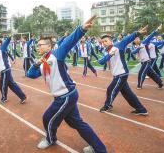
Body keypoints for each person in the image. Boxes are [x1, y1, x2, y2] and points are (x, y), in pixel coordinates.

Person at [27, 15, 107, 153]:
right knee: (76, 122)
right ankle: (99, 148)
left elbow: (69, 42)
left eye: (40, 45)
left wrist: (82, 29)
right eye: (37, 45)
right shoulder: (43, 61)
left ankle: (51, 139)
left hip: (66, 95)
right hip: (65, 96)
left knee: (48, 118)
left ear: (49, 46)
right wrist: (35, 64)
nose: (38, 47)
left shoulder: (56, 55)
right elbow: (31, 75)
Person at [98, 26, 149, 115]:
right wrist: (110, 55)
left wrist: (138, 33)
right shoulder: (106, 51)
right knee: (128, 94)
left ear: (111, 41)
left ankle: (107, 105)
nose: (104, 43)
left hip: (121, 74)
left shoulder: (118, 46)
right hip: (117, 75)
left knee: (110, 89)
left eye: (106, 41)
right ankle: (141, 109)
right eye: (102, 42)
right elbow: (101, 62)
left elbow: (127, 39)